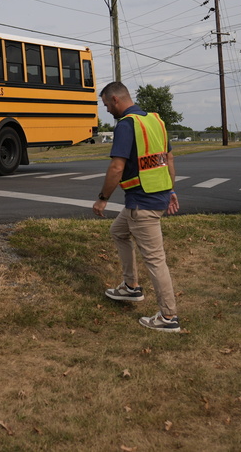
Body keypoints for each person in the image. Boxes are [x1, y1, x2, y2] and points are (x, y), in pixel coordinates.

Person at [92, 81, 181, 333]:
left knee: (156, 260)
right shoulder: (155, 121)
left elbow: (117, 168)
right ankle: (131, 287)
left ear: (116, 100)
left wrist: (103, 197)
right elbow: (168, 159)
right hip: (154, 198)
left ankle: (168, 316)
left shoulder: (126, 125)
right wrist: (171, 190)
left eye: (107, 104)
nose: (107, 110)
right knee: (118, 232)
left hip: (142, 204)